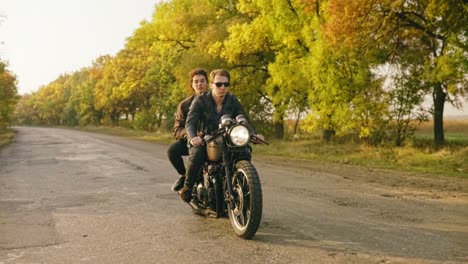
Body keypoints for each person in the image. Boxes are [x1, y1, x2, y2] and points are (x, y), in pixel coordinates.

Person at [179, 69, 264, 202]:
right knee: (197, 153)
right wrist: (192, 137)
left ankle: (245, 186)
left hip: (226, 136)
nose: (223, 87)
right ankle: (188, 187)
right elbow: (190, 123)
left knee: (244, 150)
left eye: (226, 84)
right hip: (206, 138)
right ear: (211, 84)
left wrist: (253, 134)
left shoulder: (232, 99)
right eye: (219, 84)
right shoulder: (200, 100)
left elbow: (243, 119)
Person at [167, 68, 209, 192]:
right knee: (172, 150)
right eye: (196, 81)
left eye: (202, 81)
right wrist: (191, 135)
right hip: (192, 141)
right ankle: (184, 175)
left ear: (208, 83)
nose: (199, 84)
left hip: (213, 140)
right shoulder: (184, 105)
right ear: (191, 84)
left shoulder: (215, 101)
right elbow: (177, 130)